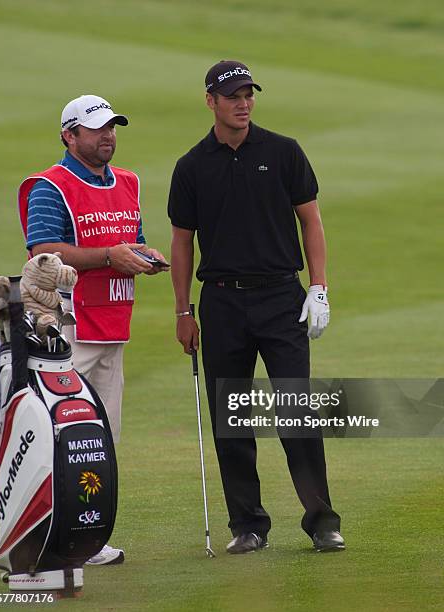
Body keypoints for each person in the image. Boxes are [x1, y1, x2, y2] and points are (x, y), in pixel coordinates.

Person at [168, 61, 345, 554]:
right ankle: (247, 525)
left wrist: (319, 287)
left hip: (280, 298)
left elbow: (311, 221)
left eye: (248, 94)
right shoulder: (192, 166)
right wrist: (184, 311)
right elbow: (182, 243)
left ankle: (322, 520)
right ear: (211, 101)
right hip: (222, 301)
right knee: (231, 418)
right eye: (232, 96)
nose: (243, 103)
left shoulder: (283, 151)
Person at [18, 94, 167, 565]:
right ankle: (41, 537)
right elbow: (42, 251)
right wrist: (110, 256)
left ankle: (85, 539)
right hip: (66, 332)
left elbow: (132, 241)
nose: (108, 136)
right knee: (55, 440)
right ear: (69, 135)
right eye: (97, 128)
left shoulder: (128, 182)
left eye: (113, 127)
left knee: (99, 441)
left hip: (112, 328)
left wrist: (144, 257)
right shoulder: (50, 186)